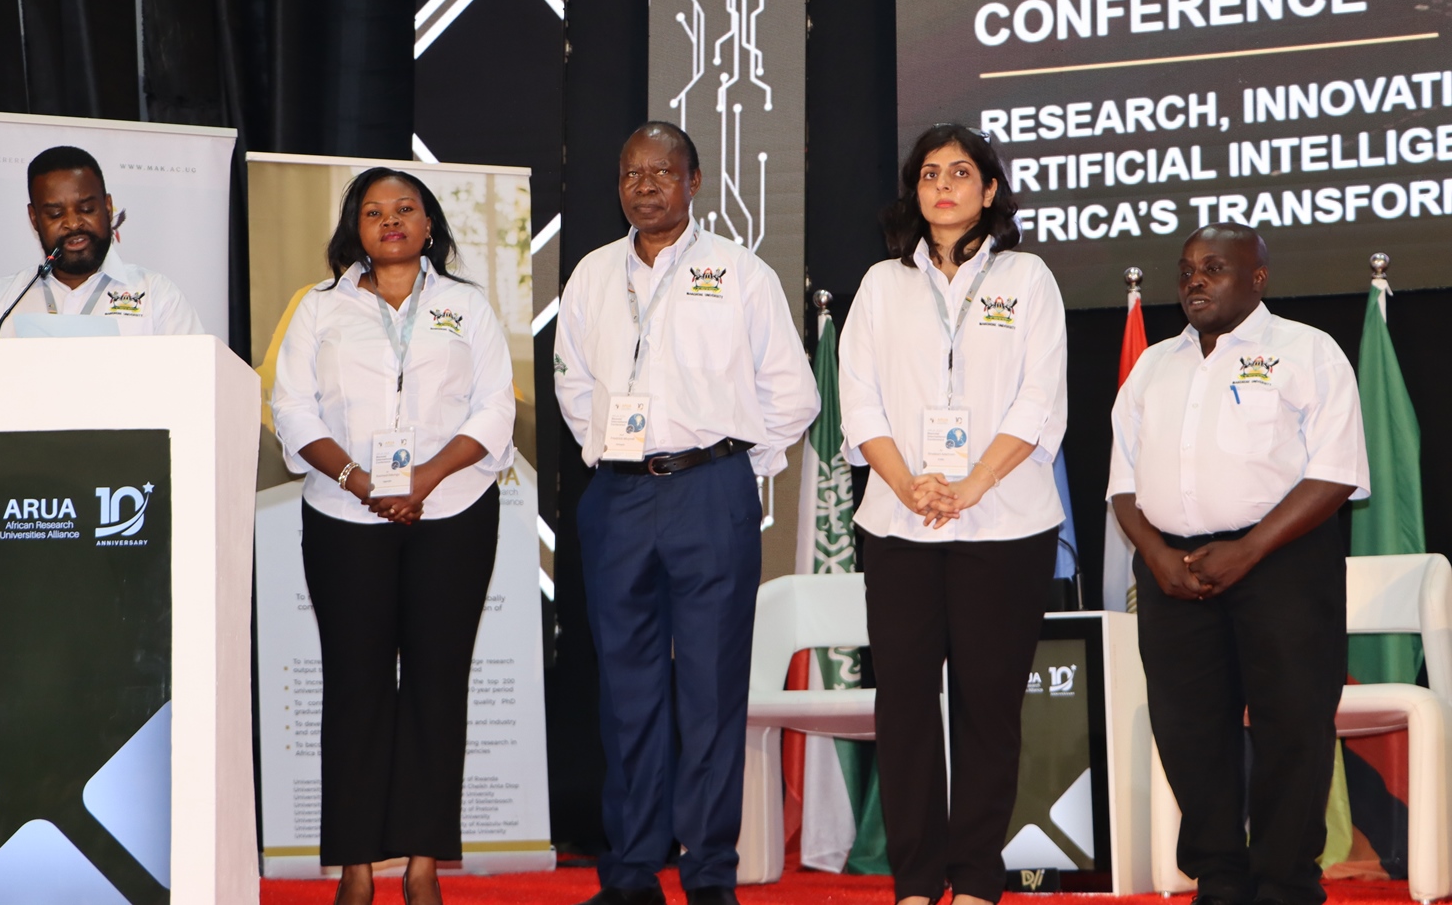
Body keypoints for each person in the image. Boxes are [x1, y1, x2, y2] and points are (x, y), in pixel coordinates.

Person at [554, 121, 818, 905]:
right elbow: (572, 382)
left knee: (709, 689)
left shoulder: (740, 273)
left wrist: (739, 467)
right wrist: (610, 452)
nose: (644, 185)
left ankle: (708, 873)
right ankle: (632, 872)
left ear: (693, 181)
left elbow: (794, 393)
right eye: (631, 172)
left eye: (661, 172)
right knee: (626, 693)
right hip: (619, 497)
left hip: (711, 494)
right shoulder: (593, 275)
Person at [270, 167, 515, 905]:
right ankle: (353, 867)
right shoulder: (318, 309)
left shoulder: (465, 307)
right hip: (346, 517)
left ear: (429, 223)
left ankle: (422, 864)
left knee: (438, 688)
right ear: (356, 228)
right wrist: (360, 481)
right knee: (355, 689)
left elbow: (494, 411)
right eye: (374, 211)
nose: (391, 221)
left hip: (454, 513)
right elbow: (293, 412)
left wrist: (424, 479)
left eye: (405, 208)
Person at [839, 123, 1067, 905]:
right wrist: (910, 485)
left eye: (961, 172)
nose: (944, 185)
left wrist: (968, 485)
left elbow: (1040, 399)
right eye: (930, 173)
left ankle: (974, 879)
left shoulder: (1028, 278)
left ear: (989, 190)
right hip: (899, 524)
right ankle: (912, 880)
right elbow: (859, 400)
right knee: (902, 704)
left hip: (1003, 523)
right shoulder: (880, 284)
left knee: (987, 705)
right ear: (916, 190)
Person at [1108, 224, 1368, 905]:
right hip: (1172, 569)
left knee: (1292, 725)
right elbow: (1122, 485)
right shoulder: (1152, 368)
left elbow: (1336, 473)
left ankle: (1285, 883)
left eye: (1215, 267)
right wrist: (1159, 556)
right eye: (1187, 268)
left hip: (1281, 559)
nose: (1195, 279)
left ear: (1258, 277)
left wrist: (1248, 549)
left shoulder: (1307, 351)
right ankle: (1219, 880)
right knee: (1190, 731)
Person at [0, 145, 204, 337]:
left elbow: (196, 384)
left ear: (107, 208)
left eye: (86, 209)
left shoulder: (157, 297)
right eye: (55, 214)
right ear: (34, 218)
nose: (73, 224)